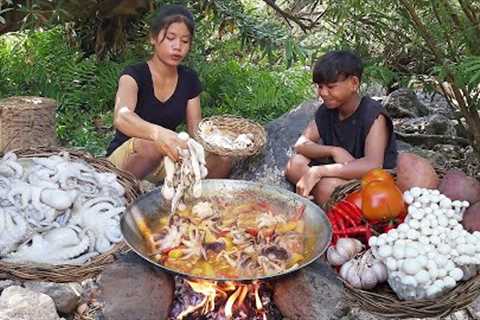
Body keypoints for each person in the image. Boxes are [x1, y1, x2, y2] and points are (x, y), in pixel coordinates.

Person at [106, 4, 231, 182]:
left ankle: (191, 202)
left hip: (165, 161)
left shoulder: (189, 79)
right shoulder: (133, 75)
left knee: (223, 160)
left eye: (185, 41)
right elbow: (122, 118)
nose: (177, 46)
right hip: (127, 161)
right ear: (153, 38)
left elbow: (195, 131)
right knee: (150, 145)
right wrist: (158, 134)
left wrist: (219, 145)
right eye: (170, 38)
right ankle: (122, 194)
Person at [285, 50, 398, 205]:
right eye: (320, 86)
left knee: (326, 188)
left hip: (372, 182)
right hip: (342, 173)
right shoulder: (327, 111)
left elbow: (373, 165)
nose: (323, 93)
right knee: (295, 164)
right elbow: (301, 145)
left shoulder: (373, 114)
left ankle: (326, 199)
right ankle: (323, 195)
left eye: (331, 87)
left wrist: (319, 171)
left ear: (354, 83)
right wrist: (334, 151)